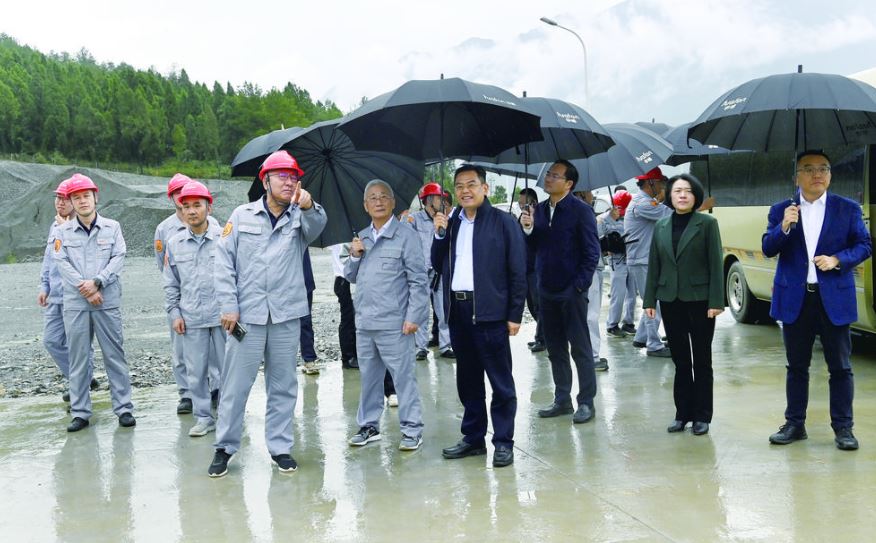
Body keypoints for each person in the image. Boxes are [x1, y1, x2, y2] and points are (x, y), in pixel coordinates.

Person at [209, 150, 327, 477]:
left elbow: (319, 227)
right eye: (282, 177)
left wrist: (308, 206)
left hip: (286, 316)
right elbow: (223, 263)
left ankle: (280, 447)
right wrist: (228, 305)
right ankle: (225, 447)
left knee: (283, 385)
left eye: (294, 177)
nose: (289, 182)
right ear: (266, 180)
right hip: (247, 315)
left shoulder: (301, 216)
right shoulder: (242, 215)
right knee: (235, 385)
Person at [763, 150, 871, 451]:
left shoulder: (846, 209)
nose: (817, 175)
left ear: (830, 174)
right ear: (797, 176)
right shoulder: (782, 209)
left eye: (823, 168)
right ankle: (795, 424)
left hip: (833, 298)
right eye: (808, 169)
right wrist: (784, 226)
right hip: (796, 299)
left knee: (840, 366)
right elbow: (769, 247)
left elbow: (864, 244)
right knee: (796, 366)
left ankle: (843, 428)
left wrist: (838, 259)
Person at [433, 164, 526, 468]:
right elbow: (437, 263)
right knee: (468, 381)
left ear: (485, 188)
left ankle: (503, 442)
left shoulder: (503, 222)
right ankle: (473, 439)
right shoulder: (452, 223)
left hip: (491, 313)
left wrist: (514, 314)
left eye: (471, 184)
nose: (465, 191)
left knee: (500, 383)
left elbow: (517, 270)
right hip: (459, 311)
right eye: (459, 186)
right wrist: (439, 234)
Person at [344, 179, 428, 451]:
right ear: (365, 206)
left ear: (393, 202)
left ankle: (412, 429)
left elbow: (418, 281)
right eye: (372, 198)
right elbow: (350, 276)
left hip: (396, 323)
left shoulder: (407, 236)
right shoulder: (362, 237)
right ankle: (369, 425)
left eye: (383, 197)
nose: (378, 201)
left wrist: (414, 317)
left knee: (403, 378)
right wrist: (354, 256)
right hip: (365, 323)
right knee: (369, 377)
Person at [643, 174, 724, 435]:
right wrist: (649, 299)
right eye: (677, 190)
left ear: (695, 195)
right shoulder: (662, 226)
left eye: (687, 191)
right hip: (670, 300)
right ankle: (682, 414)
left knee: (702, 359)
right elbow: (654, 265)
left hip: (701, 302)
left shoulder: (708, 224)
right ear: (670, 195)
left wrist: (716, 301)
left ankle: (702, 416)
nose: (682, 195)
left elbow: (715, 263)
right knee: (680, 361)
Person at [53, 174, 135, 432]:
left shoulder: (113, 227)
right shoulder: (62, 231)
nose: (82, 201)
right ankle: (80, 412)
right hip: (77, 304)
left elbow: (119, 256)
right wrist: (87, 290)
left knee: (115, 356)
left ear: (95, 197)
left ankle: (123, 409)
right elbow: (61, 263)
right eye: (76, 198)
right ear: (71, 202)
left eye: (86, 196)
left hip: (106, 301)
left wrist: (98, 281)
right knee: (79, 359)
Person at [520, 161, 601, 424]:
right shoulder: (539, 210)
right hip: (546, 289)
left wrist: (579, 285)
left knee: (580, 347)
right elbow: (534, 247)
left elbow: (591, 252)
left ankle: (586, 401)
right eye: (548, 174)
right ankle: (562, 399)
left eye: (556, 175)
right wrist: (528, 228)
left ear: (569, 183)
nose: (549, 178)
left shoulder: (581, 211)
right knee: (555, 348)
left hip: (572, 291)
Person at [163, 181, 225, 438]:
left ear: (208, 207)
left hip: (223, 317)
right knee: (196, 372)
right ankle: (203, 417)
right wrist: (174, 313)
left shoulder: (225, 239)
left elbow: (240, 277)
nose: (191, 211)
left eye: (197, 205)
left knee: (228, 370)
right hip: (191, 319)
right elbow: (170, 282)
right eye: (186, 206)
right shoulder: (175, 243)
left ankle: (230, 415)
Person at [38, 179, 97, 402]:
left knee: (80, 344)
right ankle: (82, 378)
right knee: (52, 340)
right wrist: (43, 286)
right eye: (58, 198)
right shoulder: (55, 226)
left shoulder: (79, 227)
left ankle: (79, 385)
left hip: (76, 295)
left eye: (65, 198)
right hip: (55, 295)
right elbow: (48, 259)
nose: (60, 203)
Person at [625, 167, 673, 358]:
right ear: (650, 183)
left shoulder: (644, 202)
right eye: (661, 183)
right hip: (642, 259)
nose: (663, 187)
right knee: (654, 304)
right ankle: (654, 345)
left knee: (651, 301)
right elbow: (672, 214)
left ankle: (642, 336)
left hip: (644, 258)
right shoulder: (643, 204)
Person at [408, 182, 455, 361]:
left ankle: (445, 345)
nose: (442, 201)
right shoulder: (414, 220)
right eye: (438, 198)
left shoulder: (444, 219)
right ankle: (420, 347)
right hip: (419, 273)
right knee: (420, 311)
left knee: (443, 311)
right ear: (428, 200)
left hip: (440, 271)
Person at [576, 190, 609, 372]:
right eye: (590, 192)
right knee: (591, 315)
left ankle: (588, 354)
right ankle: (592, 356)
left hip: (588, 269)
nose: (592, 195)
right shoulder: (582, 211)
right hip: (589, 271)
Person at [603, 189, 637, 337]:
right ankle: (612, 324)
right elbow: (599, 235)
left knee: (632, 295)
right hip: (617, 261)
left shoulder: (632, 217)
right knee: (619, 294)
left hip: (631, 258)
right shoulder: (607, 218)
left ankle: (628, 322)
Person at [517, 187, 545, 352]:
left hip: (536, 267)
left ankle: (542, 338)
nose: (521, 206)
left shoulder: (540, 216)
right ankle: (544, 335)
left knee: (539, 305)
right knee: (532, 305)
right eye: (519, 204)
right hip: (524, 267)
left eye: (524, 203)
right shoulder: (521, 216)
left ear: (533, 202)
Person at [330, 244, 358, 369]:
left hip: (344, 279)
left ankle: (352, 355)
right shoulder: (340, 239)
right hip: (343, 279)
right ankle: (348, 357)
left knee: (351, 318)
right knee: (348, 320)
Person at [299, 249, 320, 375]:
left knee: (305, 321)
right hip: (280, 284)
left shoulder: (302, 231)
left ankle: (309, 359)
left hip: (304, 281)